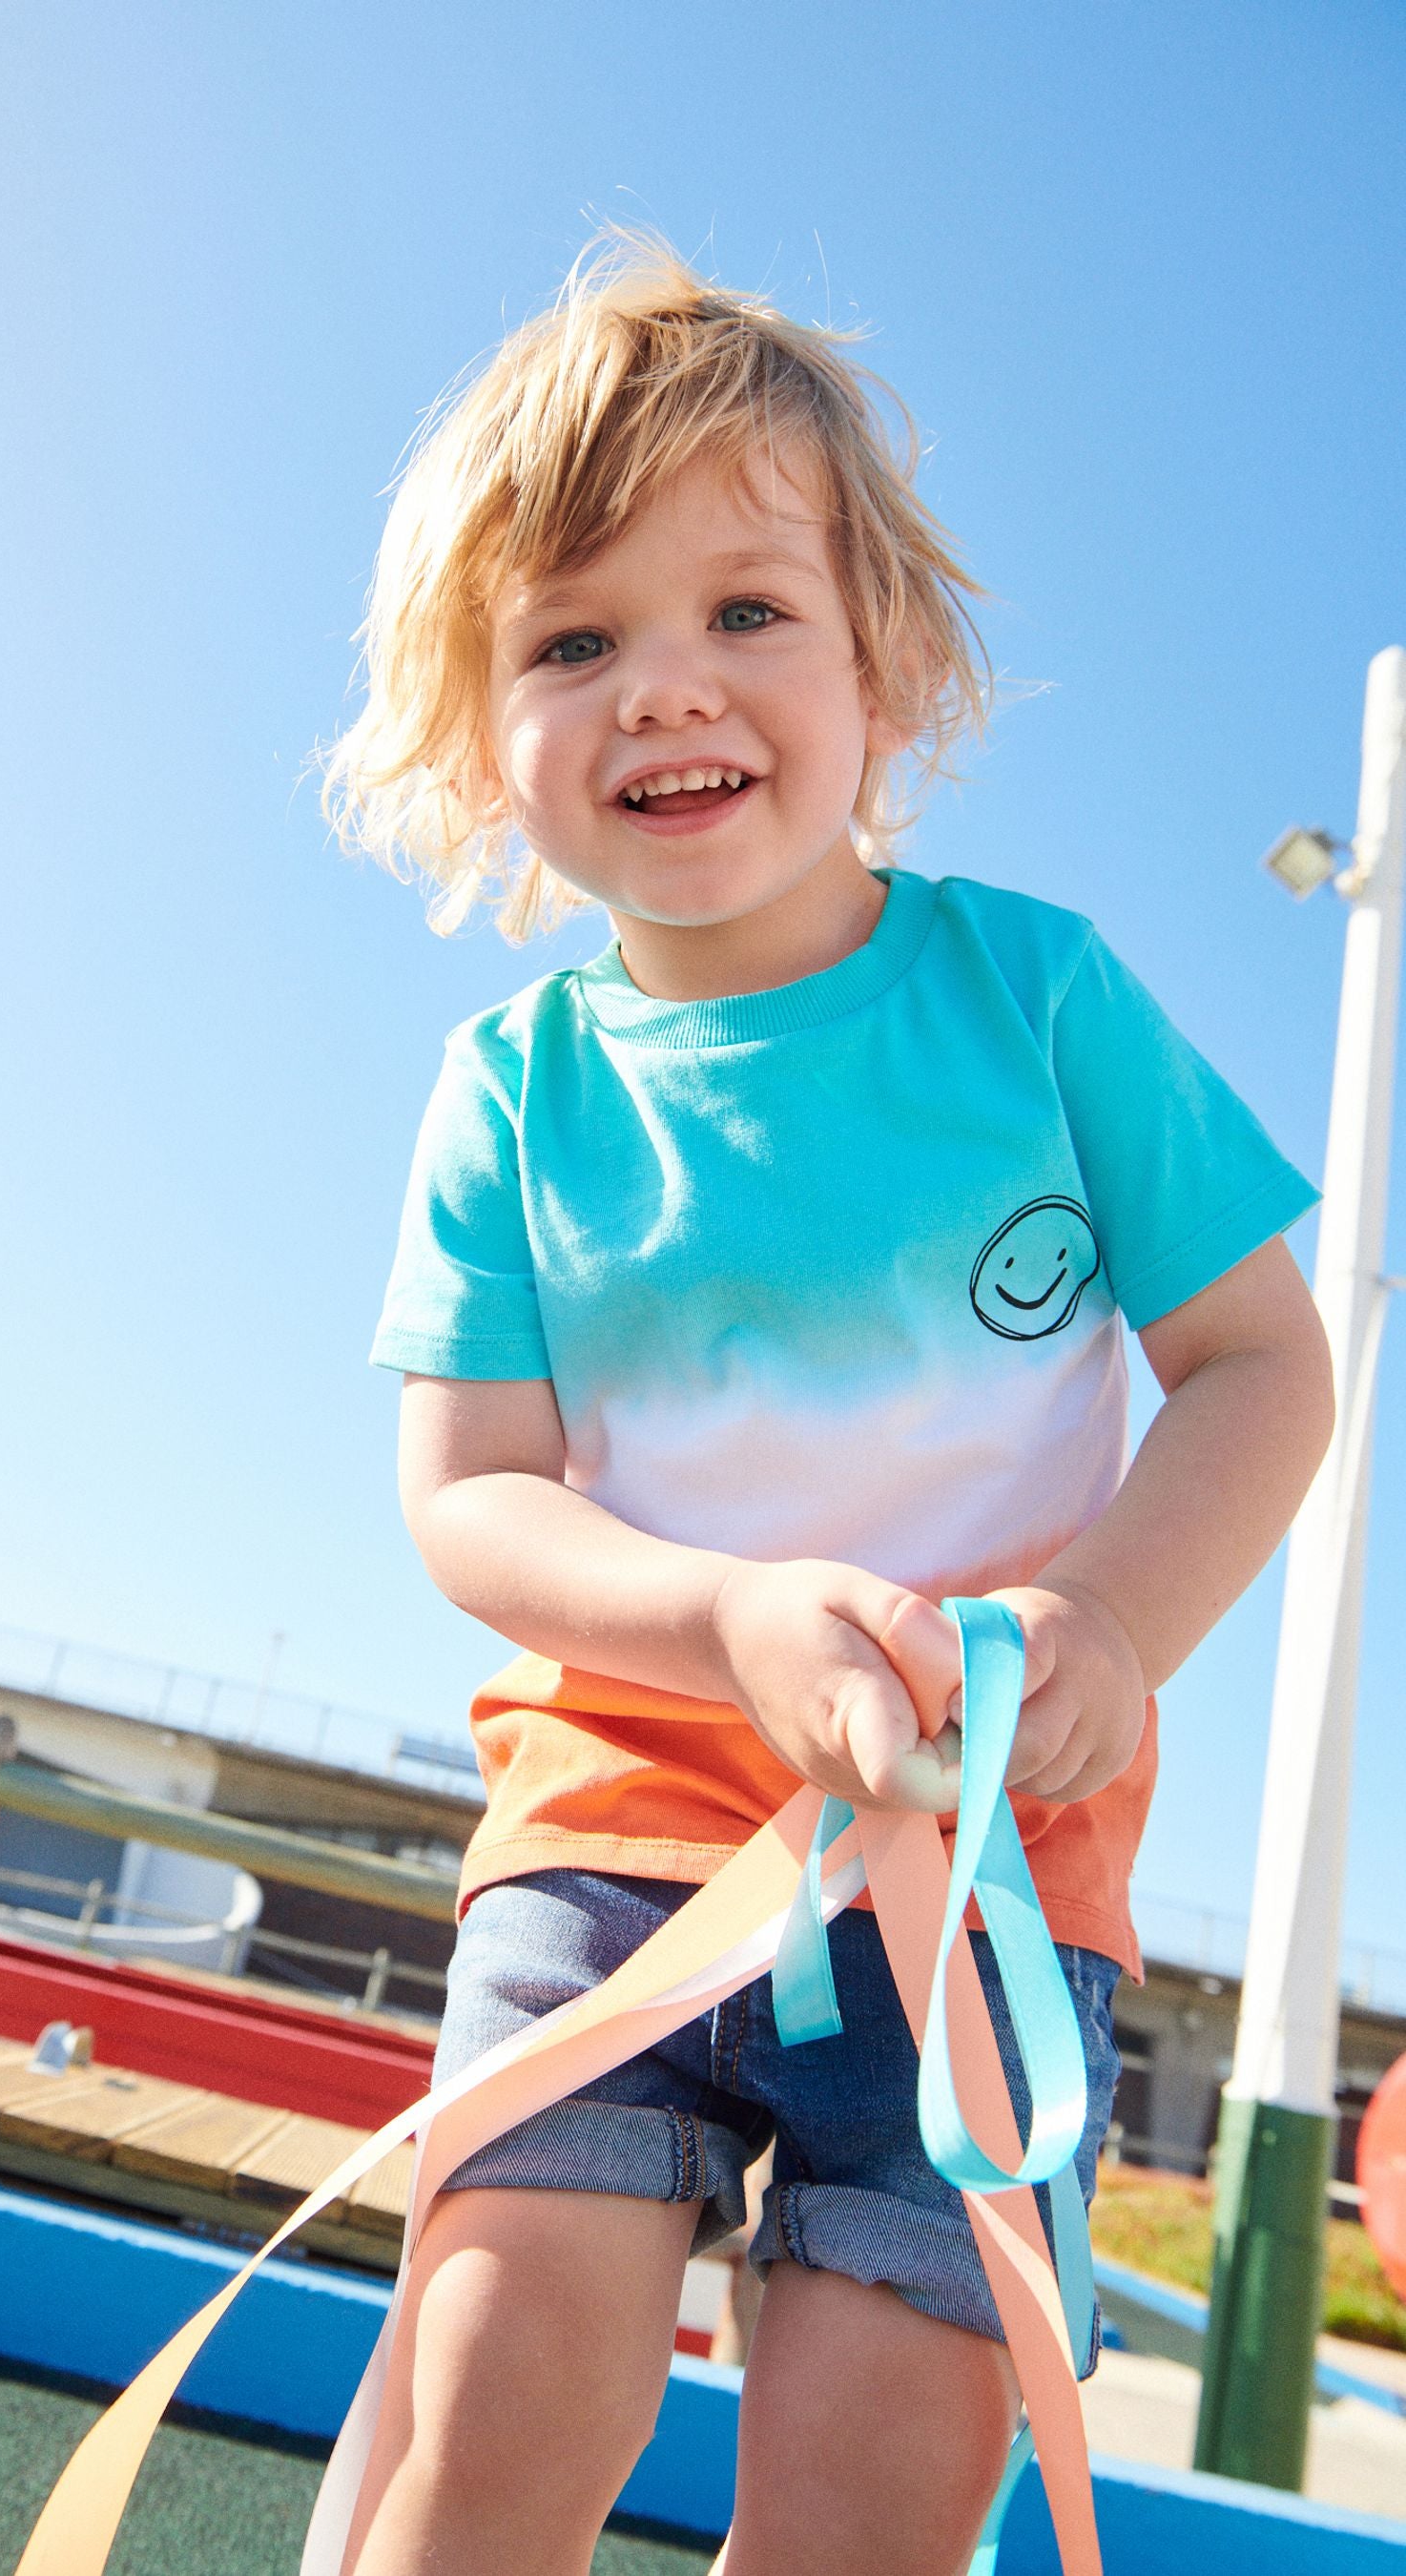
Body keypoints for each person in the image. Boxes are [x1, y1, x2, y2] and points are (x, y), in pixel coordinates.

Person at [321, 231, 1334, 2576]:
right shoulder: (515, 1090)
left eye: (745, 612)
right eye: (575, 640)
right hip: (614, 1837)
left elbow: (1259, 1360)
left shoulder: (1041, 997)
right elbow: (471, 1495)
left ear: (888, 663)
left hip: (982, 1875)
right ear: (491, 736)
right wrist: (735, 1624)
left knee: (876, 2508)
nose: (663, 687)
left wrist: (1109, 1621)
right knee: (486, 2420)